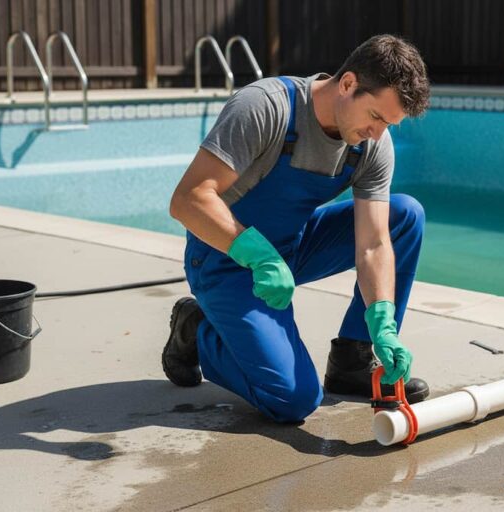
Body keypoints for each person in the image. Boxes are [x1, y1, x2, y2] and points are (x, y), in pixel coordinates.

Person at [163, 34, 431, 423]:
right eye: (375, 117)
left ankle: (353, 360)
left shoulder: (372, 144)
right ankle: (197, 330)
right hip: (225, 259)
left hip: (293, 246)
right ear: (348, 84)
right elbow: (188, 199)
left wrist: (383, 320)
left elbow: (373, 244)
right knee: (294, 400)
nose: (378, 133)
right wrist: (258, 255)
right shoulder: (266, 107)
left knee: (404, 216)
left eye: (389, 124)